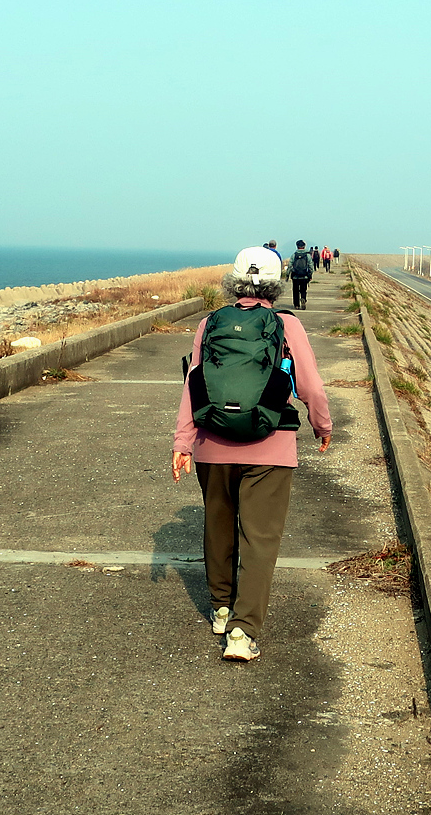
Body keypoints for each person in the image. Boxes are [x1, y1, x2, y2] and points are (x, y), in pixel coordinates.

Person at [173, 246, 332, 661]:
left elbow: (194, 383)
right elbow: (311, 386)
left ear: (234, 281)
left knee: (218, 527)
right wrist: (322, 426)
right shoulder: (286, 324)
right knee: (259, 539)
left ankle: (221, 609)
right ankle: (242, 633)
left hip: (212, 444)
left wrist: (183, 442)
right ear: (276, 284)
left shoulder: (210, 323)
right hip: (271, 446)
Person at [288, 239, 316, 308]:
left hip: (295, 276)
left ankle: (296, 305)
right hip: (304, 276)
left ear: (297, 246)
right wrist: (310, 274)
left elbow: (290, 265)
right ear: (304, 246)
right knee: (303, 290)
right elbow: (311, 266)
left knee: (295, 291)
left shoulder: (294, 255)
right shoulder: (307, 255)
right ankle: (303, 298)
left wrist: (288, 274)